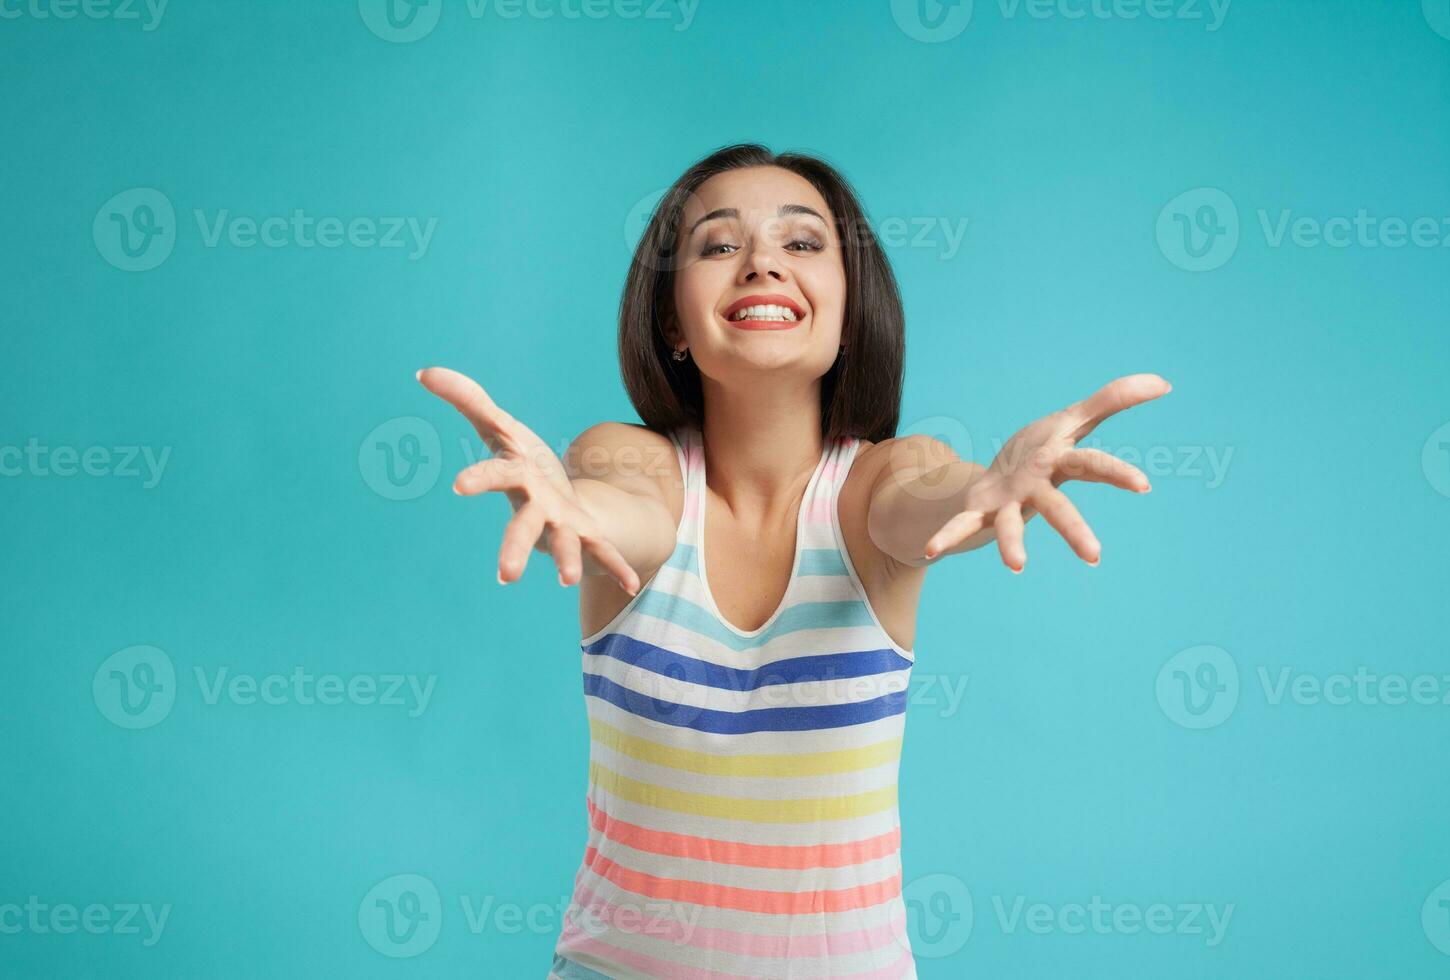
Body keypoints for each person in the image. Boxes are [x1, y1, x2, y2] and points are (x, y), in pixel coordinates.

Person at [418, 143, 1170, 979]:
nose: (763, 264)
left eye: (803, 244)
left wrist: (988, 486)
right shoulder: (635, 463)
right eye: (718, 245)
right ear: (672, 320)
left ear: (850, 309)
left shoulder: (880, 479)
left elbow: (926, 496)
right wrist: (571, 504)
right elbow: (622, 508)